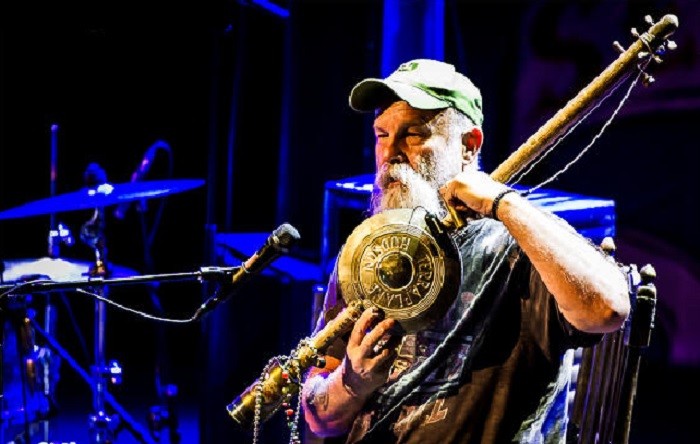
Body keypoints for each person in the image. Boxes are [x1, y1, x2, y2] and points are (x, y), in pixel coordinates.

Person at [300, 59, 630, 443]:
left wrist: (503, 202)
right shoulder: (368, 254)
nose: (389, 153)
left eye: (414, 135)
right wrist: (352, 383)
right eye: (382, 134)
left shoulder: (519, 248)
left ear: (469, 146)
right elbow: (319, 420)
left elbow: (607, 309)